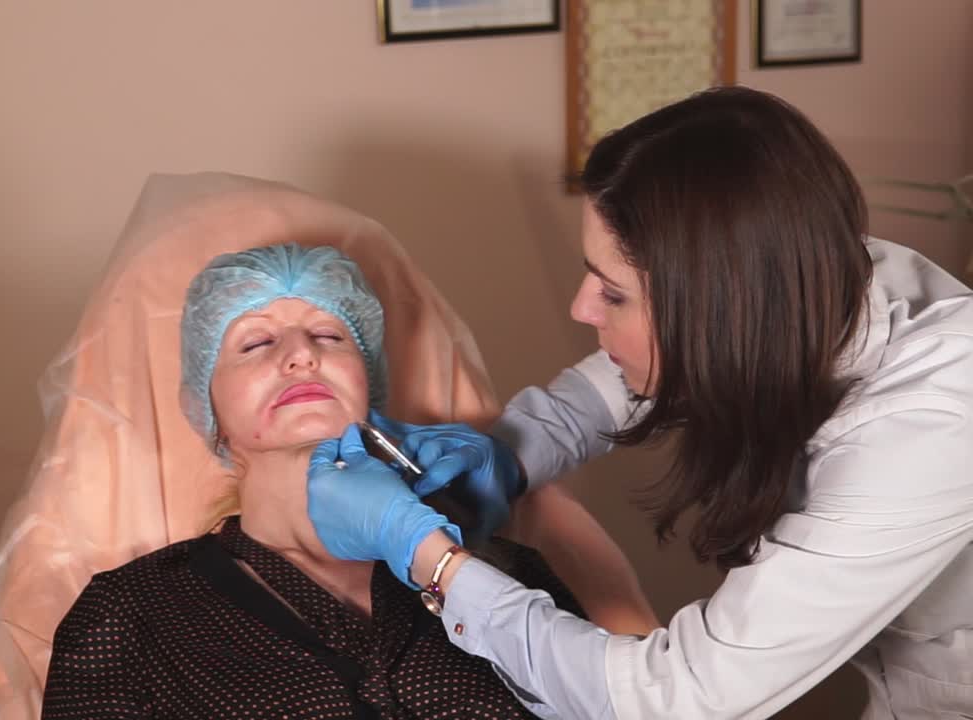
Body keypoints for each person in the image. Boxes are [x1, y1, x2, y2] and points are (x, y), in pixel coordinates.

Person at [307, 85, 973, 719]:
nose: (579, 307)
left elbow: (674, 698)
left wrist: (429, 556)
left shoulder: (926, 431)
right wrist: (506, 454)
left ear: (718, 306)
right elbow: (613, 389)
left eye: (613, 293)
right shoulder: (804, 277)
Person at [40, 243, 591, 719]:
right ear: (210, 413)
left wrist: (435, 556)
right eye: (256, 344)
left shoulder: (506, 573)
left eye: (330, 335)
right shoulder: (130, 616)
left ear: (367, 386)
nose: (302, 354)